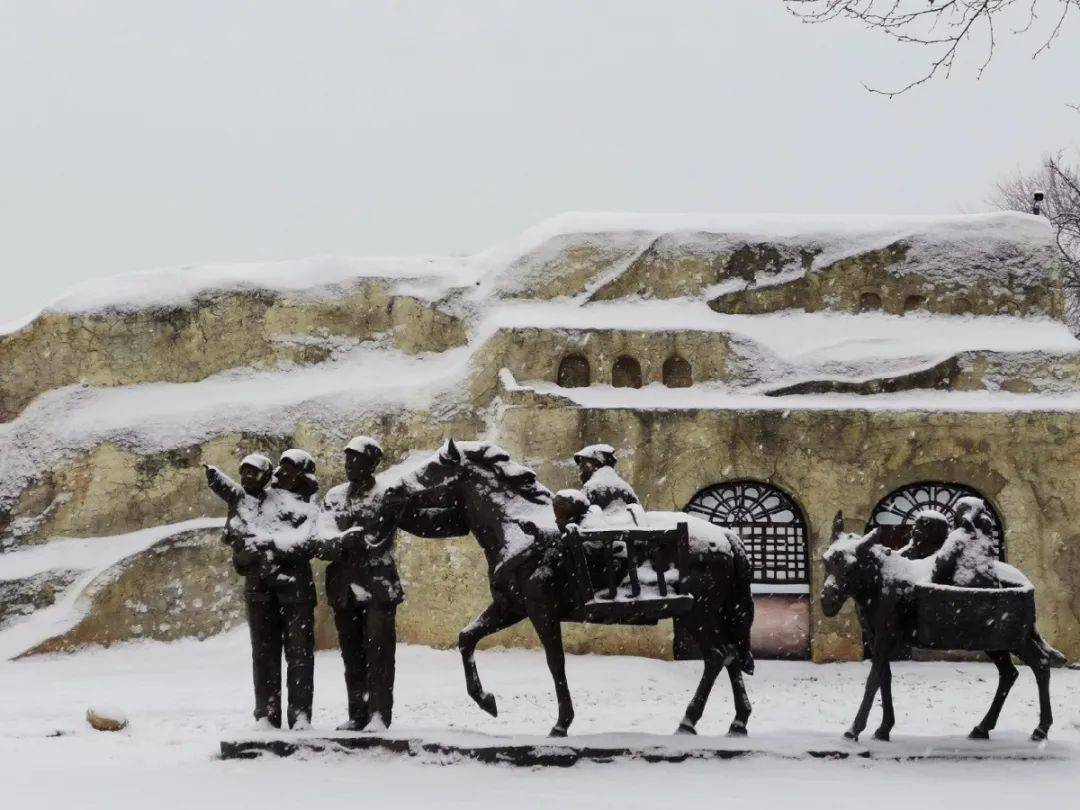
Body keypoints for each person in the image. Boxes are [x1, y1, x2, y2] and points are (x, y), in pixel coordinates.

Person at [206, 449, 319, 730]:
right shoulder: (261, 500)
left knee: (300, 655)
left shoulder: (309, 509)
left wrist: (268, 543)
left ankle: (300, 715)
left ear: (303, 476)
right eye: (280, 469)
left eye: (289, 470)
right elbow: (240, 535)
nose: (281, 474)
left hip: (296, 592)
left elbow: (306, 544)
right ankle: (266, 714)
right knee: (264, 654)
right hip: (260, 591)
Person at [316, 437, 410, 731]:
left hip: (378, 586)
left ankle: (379, 715)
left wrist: (362, 543)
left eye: (355, 459)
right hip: (344, 588)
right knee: (352, 655)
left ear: (371, 464)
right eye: (347, 459)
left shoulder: (387, 495)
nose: (349, 464)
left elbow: (383, 539)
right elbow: (320, 540)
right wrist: (341, 542)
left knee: (379, 655)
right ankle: (357, 713)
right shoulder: (333, 496)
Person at [932, 497, 1001, 589]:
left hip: (962, 591)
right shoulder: (986, 537)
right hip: (990, 589)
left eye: (957, 512)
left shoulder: (958, 536)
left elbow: (941, 568)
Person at [573, 444, 643, 525]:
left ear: (595, 465)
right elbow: (640, 517)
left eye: (582, 466)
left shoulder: (590, 488)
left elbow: (576, 520)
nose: (580, 472)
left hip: (600, 536)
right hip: (627, 535)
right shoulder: (626, 488)